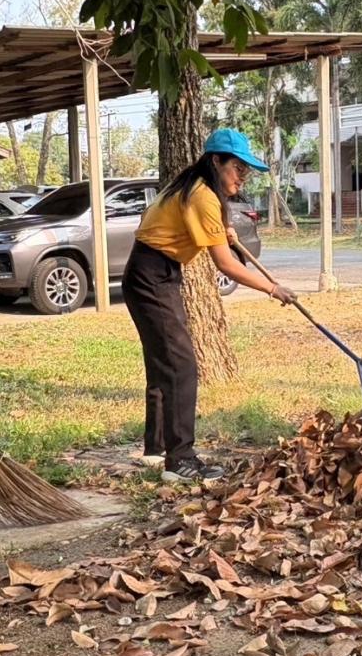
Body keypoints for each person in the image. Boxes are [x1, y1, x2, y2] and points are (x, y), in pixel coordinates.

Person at [123, 129, 295, 484]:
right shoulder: (200, 195)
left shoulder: (190, 187)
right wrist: (272, 288)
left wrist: (225, 231)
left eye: (246, 171)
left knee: (163, 363)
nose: (242, 176)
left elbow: (192, 225)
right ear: (215, 161)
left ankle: (156, 449)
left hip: (152, 272)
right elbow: (226, 266)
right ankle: (180, 460)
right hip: (152, 275)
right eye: (237, 167)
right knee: (181, 365)